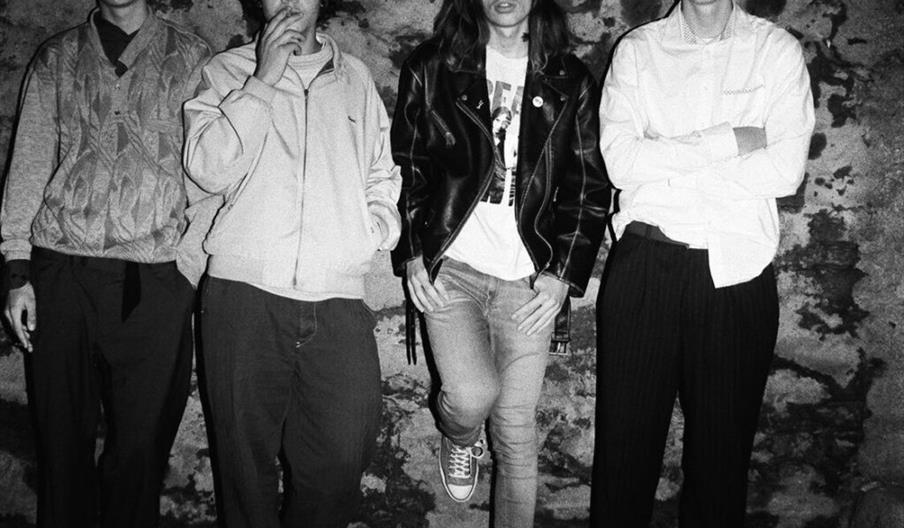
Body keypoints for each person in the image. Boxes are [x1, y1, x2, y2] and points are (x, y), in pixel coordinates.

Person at [590, 0, 815, 526]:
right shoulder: (639, 51)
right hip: (646, 264)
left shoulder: (775, 51)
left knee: (721, 465)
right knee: (623, 460)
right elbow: (621, 163)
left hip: (736, 274)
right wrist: (732, 141)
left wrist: (665, 164)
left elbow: (784, 171)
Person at [182, 0, 401, 525]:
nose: (289, 3)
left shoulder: (356, 78)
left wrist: (372, 231)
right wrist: (262, 80)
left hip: (337, 301)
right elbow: (207, 169)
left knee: (341, 460)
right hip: (243, 297)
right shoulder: (225, 72)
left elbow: (381, 170)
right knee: (243, 469)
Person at [390, 0, 609, 525]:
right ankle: (458, 435)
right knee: (470, 396)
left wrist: (561, 276)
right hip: (454, 265)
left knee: (515, 429)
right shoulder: (432, 66)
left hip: (527, 278)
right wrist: (413, 254)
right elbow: (406, 166)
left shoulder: (569, 78)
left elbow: (589, 187)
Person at [0, 1, 211, 526]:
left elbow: (211, 173)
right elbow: (28, 160)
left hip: (155, 278)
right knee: (61, 445)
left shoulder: (193, 57)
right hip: (62, 271)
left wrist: (189, 266)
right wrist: (18, 269)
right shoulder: (58, 56)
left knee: (140, 451)